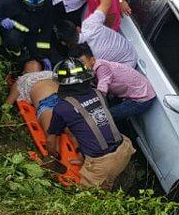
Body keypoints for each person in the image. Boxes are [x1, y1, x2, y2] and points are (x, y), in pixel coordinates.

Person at [46, 57, 134, 189]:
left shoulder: (63, 108)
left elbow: (51, 140)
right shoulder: (98, 93)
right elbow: (89, 127)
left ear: (62, 84)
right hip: (125, 148)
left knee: (85, 198)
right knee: (87, 127)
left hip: (103, 164)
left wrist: (54, 156)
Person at [55, 0, 137, 68]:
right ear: (78, 28)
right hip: (124, 49)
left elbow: (111, 16)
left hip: (126, 64)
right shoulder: (90, 23)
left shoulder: (92, 56)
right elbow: (106, 3)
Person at [72, 42, 156, 129]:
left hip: (141, 98)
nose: (80, 67)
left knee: (105, 117)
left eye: (82, 63)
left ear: (92, 60)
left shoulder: (102, 68)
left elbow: (101, 92)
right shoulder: (90, 69)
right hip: (131, 92)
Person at [0, 0, 61, 71]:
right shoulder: (8, 1)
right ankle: (14, 61)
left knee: (54, 57)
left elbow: (46, 32)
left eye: (37, 6)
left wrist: (42, 56)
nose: (33, 9)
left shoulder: (47, 5)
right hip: (15, 34)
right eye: (30, 6)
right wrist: (0, 20)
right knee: (13, 38)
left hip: (33, 36)